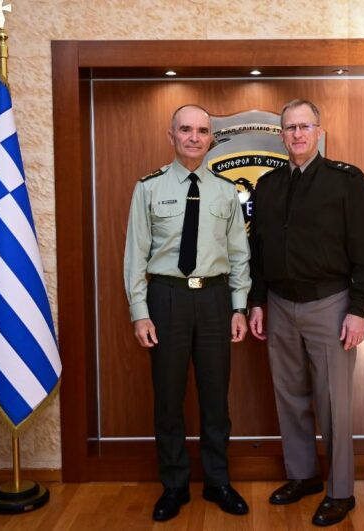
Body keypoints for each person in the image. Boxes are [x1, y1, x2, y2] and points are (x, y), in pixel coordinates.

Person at [248, 99, 364, 527]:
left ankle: (341, 491)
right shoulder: (268, 185)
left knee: (333, 403)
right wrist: (257, 301)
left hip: (330, 305)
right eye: (290, 128)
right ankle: (303, 475)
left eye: (304, 126)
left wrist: (358, 309)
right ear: (281, 135)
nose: (297, 134)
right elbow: (258, 251)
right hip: (279, 305)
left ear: (319, 131)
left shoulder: (346, 181)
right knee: (289, 397)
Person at [124, 104, 251, 522]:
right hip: (166, 299)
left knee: (216, 398)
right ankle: (175, 485)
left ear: (211, 138)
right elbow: (135, 255)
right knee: (168, 398)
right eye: (185, 130)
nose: (194, 137)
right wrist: (140, 312)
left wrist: (238, 306)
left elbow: (239, 254)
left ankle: (217, 481)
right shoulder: (148, 188)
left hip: (215, 300)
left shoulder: (226, 191)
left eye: (201, 131)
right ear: (171, 136)